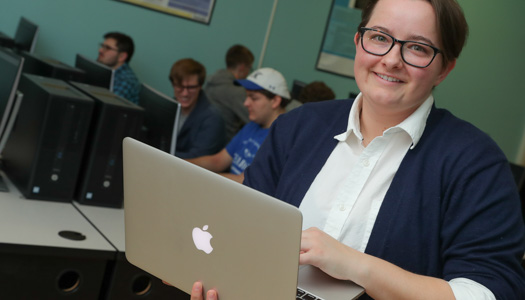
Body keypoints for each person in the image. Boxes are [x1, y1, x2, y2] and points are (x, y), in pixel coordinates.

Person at [190, 0, 525, 299]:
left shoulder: (476, 164)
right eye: (379, 37)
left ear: (445, 69)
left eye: (418, 48)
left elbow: (489, 291)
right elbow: (246, 232)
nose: (391, 60)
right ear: (358, 42)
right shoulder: (297, 126)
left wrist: (357, 267)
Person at [186, 67, 289, 183]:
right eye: (246, 96)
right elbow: (218, 161)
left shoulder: (281, 140)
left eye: (253, 98)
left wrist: (199, 178)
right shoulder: (253, 125)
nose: (246, 103)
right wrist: (182, 164)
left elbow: (243, 180)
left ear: (275, 101)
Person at [170, 58, 226, 159]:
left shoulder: (213, 118)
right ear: (173, 84)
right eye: (180, 86)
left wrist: (161, 153)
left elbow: (197, 158)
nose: (185, 93)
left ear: (200, 86)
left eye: (191, 87)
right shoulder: (170, 106)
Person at [204, 44, 254, 142]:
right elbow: (256, 120)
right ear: (242, 68)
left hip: (206, 136)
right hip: (224, 143)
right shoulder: (236, 92)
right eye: (250, 68)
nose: (249, 72)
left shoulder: (211, 81)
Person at [97, 32, 141, 104]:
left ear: (122, 57)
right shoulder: (104, 70)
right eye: (102, 46)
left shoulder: (126, 81)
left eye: (107, 48)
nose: (100, 50)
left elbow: (108, 107)